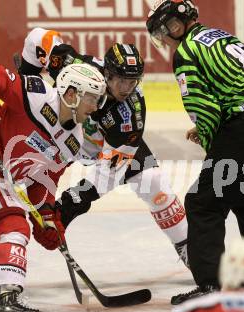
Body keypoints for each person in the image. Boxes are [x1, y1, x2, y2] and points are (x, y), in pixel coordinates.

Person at [145, 0, 244, 304]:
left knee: (203, 202)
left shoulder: (186, 51)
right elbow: (240, 86)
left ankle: (210, 288)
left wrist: (210, 137)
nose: (163, 39)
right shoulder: (219, 35)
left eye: (161, 32)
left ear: (173, 25)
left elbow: (203, 108)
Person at [0, 62, 107, 312]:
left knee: (1, 226)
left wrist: (46, 215)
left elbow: (44, 180)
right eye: (92, 99)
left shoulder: (74, 141)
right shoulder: (36, 95)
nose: (95, 107)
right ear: (71, 95)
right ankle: (10, 302)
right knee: (13, 226)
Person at [18, 27, 189, 266]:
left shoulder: (130, 115)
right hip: (60, 132)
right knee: (14, 185)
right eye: (121, 80)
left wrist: (74, 200)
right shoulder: (73, 65)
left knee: (153, 182)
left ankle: (189, 248)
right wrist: (24, 79)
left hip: (101, 145)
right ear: (107, 73)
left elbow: (111, 169)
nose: (127, 88)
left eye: (133, 81)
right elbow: (39, 37)